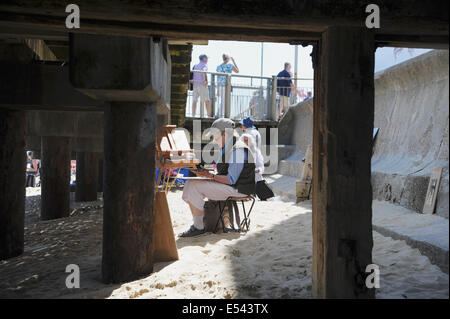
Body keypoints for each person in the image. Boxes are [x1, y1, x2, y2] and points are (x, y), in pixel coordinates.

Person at [180, 118, 255, 237]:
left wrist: (210, 176)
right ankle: (198, 225)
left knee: (194, 186)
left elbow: (231, 179)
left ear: (225, 134)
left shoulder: (238, 149)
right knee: (191, 183)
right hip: (234, 186)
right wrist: (207, 174)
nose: (214, 139)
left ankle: (198, 227)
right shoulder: (228, 146)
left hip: (239, 189)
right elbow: (225, 173)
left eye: (215, 135)